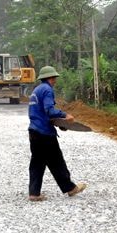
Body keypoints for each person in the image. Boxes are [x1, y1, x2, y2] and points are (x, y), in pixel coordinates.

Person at [27, 66, 87, 201]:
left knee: (37, 163)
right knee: (57, 161)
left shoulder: (36, 91)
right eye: (54, 78)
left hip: (34, 132)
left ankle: (34, 193)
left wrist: (59, 123)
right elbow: (49, 110)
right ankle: (71, 188)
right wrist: (65, 115)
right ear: (50, 78)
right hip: (44, 134)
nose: (55, 80)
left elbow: (40, 113)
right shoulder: (47, 90)